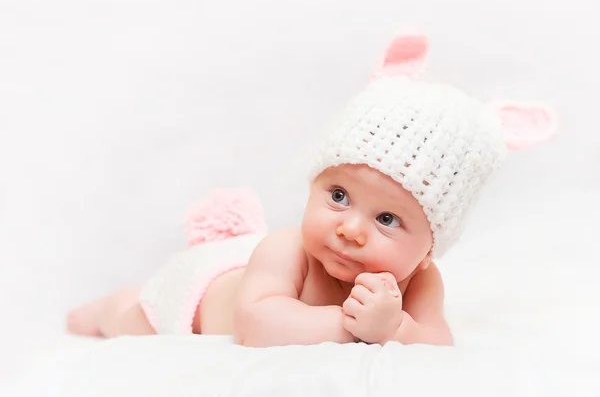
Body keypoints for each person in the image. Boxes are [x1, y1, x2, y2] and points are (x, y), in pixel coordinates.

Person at [67, 34, 557, 347]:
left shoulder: (422, 283)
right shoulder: (288, 249)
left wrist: (398, 329)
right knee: (129, 318)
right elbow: (257, 325)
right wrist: (352, 327)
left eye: (387, 220)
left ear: (429, 249)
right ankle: (100, 309)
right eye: (339, 196)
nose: (349, 228)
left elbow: (437, 341)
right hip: (200, 296)